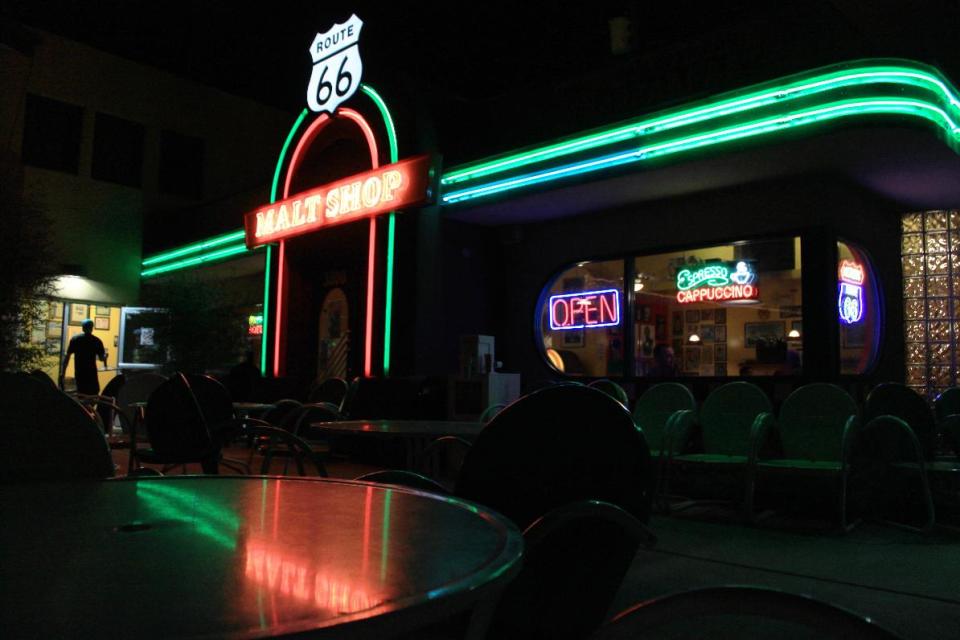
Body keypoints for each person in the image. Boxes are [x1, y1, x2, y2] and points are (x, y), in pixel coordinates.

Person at [61, 318, 107, 395]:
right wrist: (105, 357)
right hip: (91, 374)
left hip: (80, 373)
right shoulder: (97, 341)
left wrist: (63, 372)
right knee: (92, 396)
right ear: (92, 328)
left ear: (83, 328)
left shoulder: (75, 339)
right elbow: (102, 358)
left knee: (80, 396)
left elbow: (67, 357)